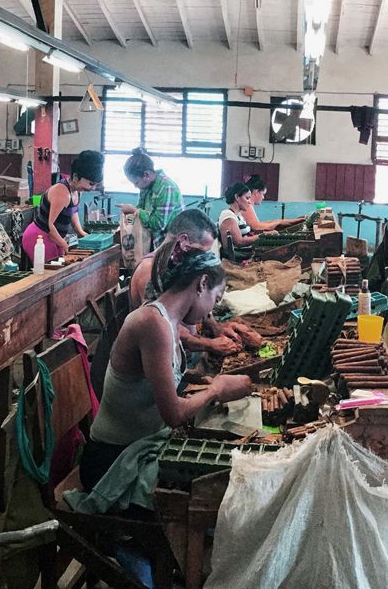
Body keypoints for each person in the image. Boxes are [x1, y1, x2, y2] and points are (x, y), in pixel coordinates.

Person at [81, 250, 253, 491]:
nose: (210, 312)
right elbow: (173, 415)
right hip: (113, 463)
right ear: (202, 283)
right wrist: (217, 389)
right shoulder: (153, 324)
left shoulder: (169, 321)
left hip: (139, 446)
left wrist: (201, 379)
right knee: (220, 485)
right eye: (216, 298)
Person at [130, 209, 259, 356]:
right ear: (184, 241)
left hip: (182, 352)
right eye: (202, 252)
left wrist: (216, 327)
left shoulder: (177, 264)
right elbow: (162, 324)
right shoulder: (150, 271)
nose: (204, 259)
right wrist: (209, 344)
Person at [22, 150, 102, 262]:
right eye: (91, 184)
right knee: (50, 274)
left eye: (95, 185)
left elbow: (73, 212)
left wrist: (82, 234)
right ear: (75, 177)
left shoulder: (77, 190)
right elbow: (51, 227)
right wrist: (65, 246)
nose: (92, 188)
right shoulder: (62, 193)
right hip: (39, 237)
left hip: (54, 237)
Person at [117, 148, 184, 247]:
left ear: (146, 175)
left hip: (172, 247)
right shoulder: (146, 186)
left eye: (136, 182)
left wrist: (135, 211)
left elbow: (159, 224)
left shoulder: (167, 188)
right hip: (155, 242)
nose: (136, 186)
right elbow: (141, 207)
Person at [219, 182, 273, 259]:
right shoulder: (228, 215)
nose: (249, 202)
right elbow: (239, 242)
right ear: (237, 197)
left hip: (246, 253)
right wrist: (264, 236)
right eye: (247, 198)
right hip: (239, 257)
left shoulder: (239, 215)